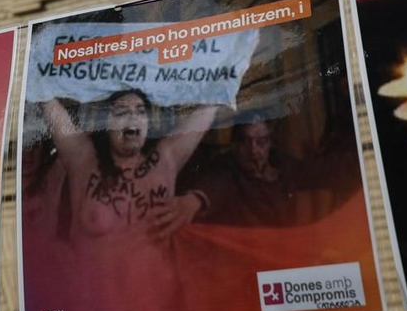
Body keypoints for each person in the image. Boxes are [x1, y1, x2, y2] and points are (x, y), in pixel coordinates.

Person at [40, 90, 221, 292]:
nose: (132, 118)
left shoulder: (166, 159)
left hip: (156, 303)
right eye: (121, 112)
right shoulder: (82, 160)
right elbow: (44, 96)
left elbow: (214, 100)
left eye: (140, 111)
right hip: (95, 302)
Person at [175, 111, 360, 228]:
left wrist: (363, 160)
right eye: (246, 142)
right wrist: (195, 200)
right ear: (235, 145)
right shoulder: (227, 171)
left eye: (261, 142)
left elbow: (320, 171)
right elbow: (216, 186)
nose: (254, 150)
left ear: (270, 142)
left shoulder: (283, 166)